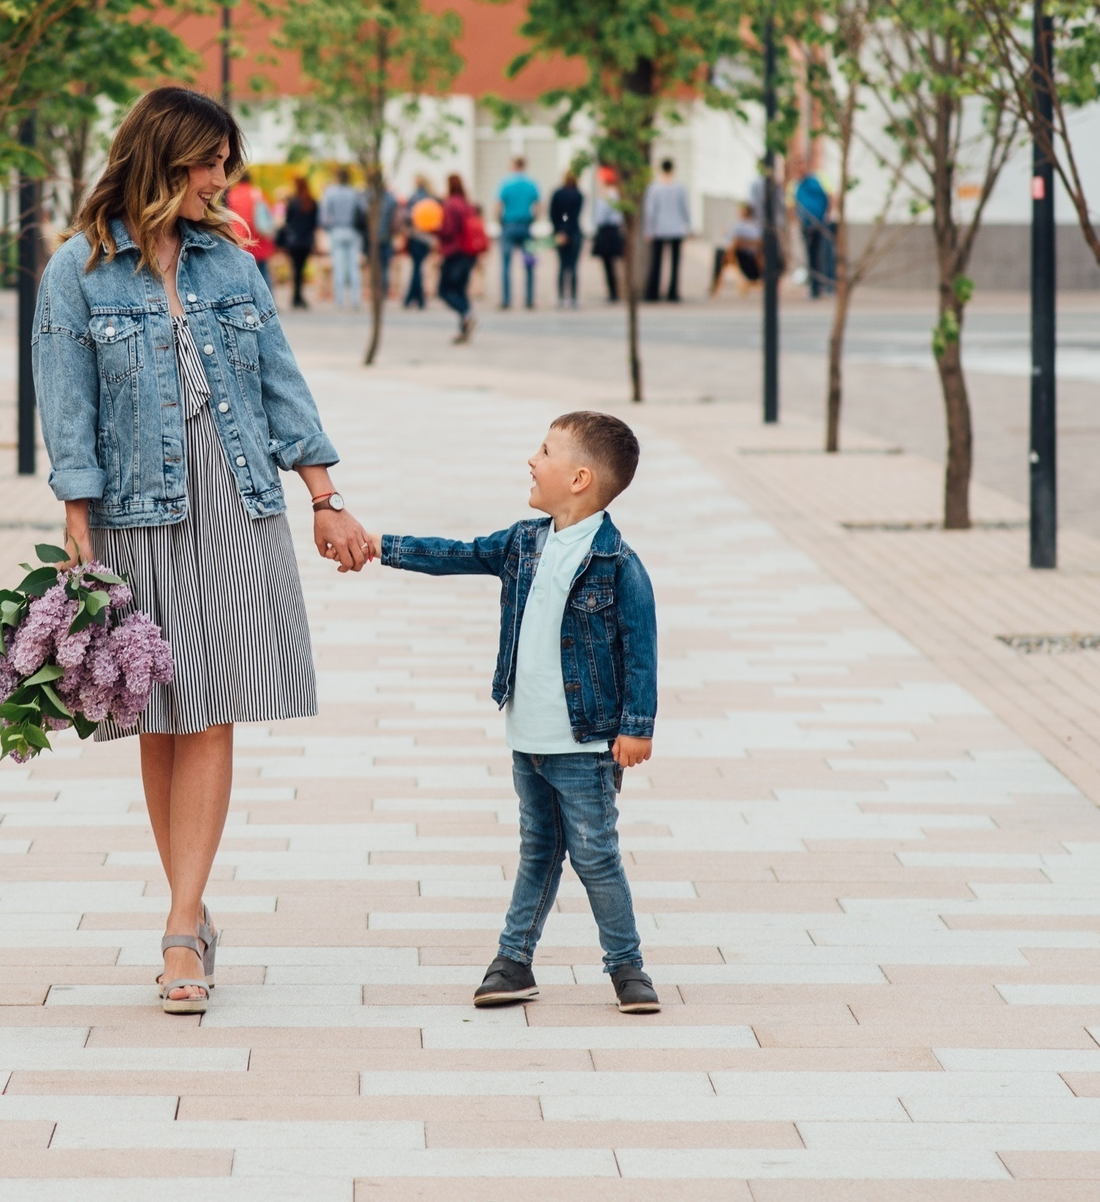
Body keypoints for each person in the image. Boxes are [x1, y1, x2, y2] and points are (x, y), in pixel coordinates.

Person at [33, 85, 378, 1014]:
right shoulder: (77, 270)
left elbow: (280, 384)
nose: (222, 178)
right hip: (133, 512)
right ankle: (189, 906)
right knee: (160, 713)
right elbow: (66, 406)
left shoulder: (230, 263)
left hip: (234, 499)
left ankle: (182, 925)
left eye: (226, 162)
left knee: (213, 705)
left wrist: (325, 498)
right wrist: (77, 527)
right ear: (165, 158)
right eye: (211, 162)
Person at [379, 410, 659, 1015]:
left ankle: (626, 965)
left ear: (580, 479)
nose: (532, 460)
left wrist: (637, 728)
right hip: (528, 740)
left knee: (596, 857)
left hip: (585, 747)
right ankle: (513, 962)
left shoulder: (618, 564)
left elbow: (641, 650)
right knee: (538, 850)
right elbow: (457, 554)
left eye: (545, 451)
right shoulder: (523, 543)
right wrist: (379, 547)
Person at [437, 173, 487, 343]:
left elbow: (448, 230)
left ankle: (467, 315)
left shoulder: (450, 204)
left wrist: (434, 229)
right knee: (460, 290)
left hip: (455, 253)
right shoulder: (467, 204)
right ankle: (465, 328)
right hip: (469, 252)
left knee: (445, 290)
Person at [641, 159, 692, 302]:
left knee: (656, 262)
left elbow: (651, 211)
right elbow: (685, 208)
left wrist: (649, 230)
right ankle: (673, 293)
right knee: (675, 263)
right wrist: (689, 226)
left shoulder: (655, 188)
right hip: (677, 228)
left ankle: (653, 293)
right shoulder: (680, 188)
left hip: (659, 229)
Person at [496, 155, 540, 310]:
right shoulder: (532, 183)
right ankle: (529, 300)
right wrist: (533, 219)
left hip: (509, 226)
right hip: (526, 227)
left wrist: (500, 222)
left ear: (514, 165)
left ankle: (506, 300)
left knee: (506, 265)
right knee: (529, 264)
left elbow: (498, 206)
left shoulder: (506, 183)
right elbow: (538, 206)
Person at [319, 165, 364, 310]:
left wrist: (329, 227)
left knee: (339, 266)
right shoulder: (354, 193)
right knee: (354, 266)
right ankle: (356, 300)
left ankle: (340, 300)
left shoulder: (330, 193)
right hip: (352, 231)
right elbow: (363, 211)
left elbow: (324, 217)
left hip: (337, 230)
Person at [225, 168, 279, 290]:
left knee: (243, 274)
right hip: (259, 238)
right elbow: (268, 214)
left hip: (240, 239)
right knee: (263, 271)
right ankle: (267, 298)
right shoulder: (257, 193)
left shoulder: (232, 194)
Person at [278, 175, 320, 309]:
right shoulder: (312, 202)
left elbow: (287, 221)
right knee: (300, 270)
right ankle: (298, 297)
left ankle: (296, 297)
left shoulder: (293, 202)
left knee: (296, 269)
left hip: (294, 241)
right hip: (306, 241)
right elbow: (314, 223)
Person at [710, 201, 764, 296]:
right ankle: (715, 284)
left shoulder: (740, 226)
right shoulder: (756, 225)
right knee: (722, 252)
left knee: (719, 253)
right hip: (752, 259)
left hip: (743, 258)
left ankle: (715, 284)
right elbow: (759, 242)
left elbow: (729, 240)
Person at [549, 169, 586, 308]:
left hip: (561, 233)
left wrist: (560, 231)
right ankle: (573, 297)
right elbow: (570, 216)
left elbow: (556, 215)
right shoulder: (578, 195)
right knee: (573, 266)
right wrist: (567, 230)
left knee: (562, 266)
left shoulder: (558, 194)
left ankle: (560, 296)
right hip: (574, 232)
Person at [795, 170, 835, 299]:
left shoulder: (818, 180)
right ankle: (814, 288)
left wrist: (826, 216)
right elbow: (794, 204)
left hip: (820, 223)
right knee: (811, 256)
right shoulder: (797, 185)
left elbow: (830, 197)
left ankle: (827, 285)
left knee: (824, 254)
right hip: (806, 225)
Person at [402, 181, 441, 310]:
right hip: (427, 239)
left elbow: (407, 216)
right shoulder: (431, 199)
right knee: (419, 268)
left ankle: (414, 298)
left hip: (416, 236)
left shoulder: (414, 199)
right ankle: (417, 298)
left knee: (417, 268)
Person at [590, 176, 626, 303]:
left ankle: (613, 292)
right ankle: (615, 290)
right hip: (613, 230)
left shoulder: (608, 196)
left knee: (609, 264)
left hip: (607, 231)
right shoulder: (616, 195)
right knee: (612, 263)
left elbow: (601, 217)